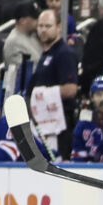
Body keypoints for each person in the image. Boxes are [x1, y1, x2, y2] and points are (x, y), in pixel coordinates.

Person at [29, 8, 79, 158]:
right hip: (42, 122)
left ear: (58, 27)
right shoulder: (45, 54)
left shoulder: (64, 54)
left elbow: (71, 89)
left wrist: (40, 94)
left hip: (60, 123)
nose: (43, 30)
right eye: (40, 26)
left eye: (48, 26)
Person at [3, 0, 42, 69]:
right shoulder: (13, 42)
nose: (39, 20)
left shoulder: (34, 36)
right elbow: (20, 73)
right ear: (22, 20)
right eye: (35, 18)